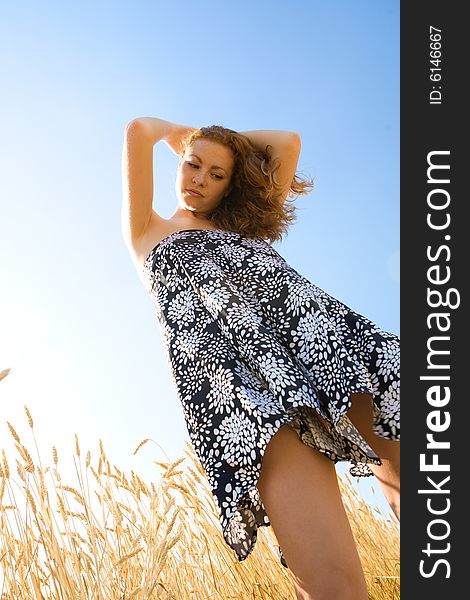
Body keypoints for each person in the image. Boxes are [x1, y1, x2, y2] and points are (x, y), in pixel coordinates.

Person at [121, 117, 400, 600]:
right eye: (193, 165)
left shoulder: (244, 226)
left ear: (232, 184)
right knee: (333, 586)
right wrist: (184, 136)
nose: (199, 180)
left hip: (326, 343)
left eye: (217, 173)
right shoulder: (148, 232)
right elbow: (139, 129)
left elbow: (288, 142)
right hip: (244, 395)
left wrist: (220, 145)